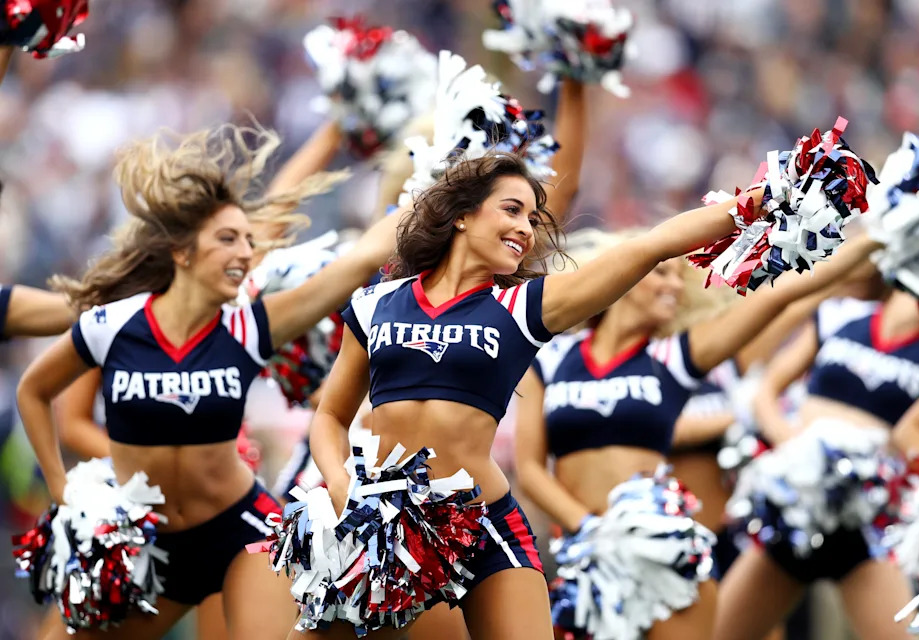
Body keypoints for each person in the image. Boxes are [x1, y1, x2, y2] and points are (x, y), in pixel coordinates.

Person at [296, 141, 835, 638]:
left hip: (481, 521)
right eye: (512, 210)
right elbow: (330, 418)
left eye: (533, 219)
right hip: (380, 522)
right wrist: (343, 490)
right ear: (461, 214)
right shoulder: (375, 303)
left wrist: (767, 197)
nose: (526, 229)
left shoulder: (523, 306)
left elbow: (652, 246)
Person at [16, 123, 400, 640]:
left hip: (239, 533)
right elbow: (34, 391)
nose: (244, 252)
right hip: (146, 541)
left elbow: (359, 262)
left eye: (248, 240)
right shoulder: (111, 324)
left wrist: (435, 196)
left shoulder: (250, 326)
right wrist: (61, 488)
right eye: (227, 239)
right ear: (182, 252)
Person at [513, 229, 882, 639]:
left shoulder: (673, 357)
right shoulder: (552, 356)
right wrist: (590, 529)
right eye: (662, 272)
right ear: (624, 273)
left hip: (663, 555)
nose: (674, 286)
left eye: (679, 277)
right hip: (587, 556)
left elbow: (778, 298)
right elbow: (530, 469)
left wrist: (874, 238)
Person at [711, 283, 919, 640]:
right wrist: (796, 450)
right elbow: (767, 389)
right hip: (794, 515)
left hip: (868, 528)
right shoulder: (841, 314)